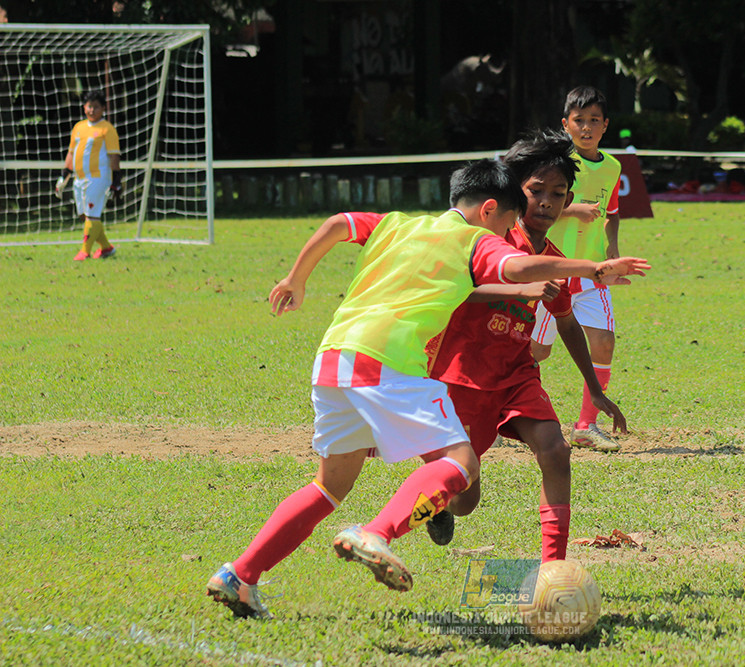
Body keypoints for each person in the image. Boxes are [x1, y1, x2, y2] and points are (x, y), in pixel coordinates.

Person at [205, 159, 650, 619]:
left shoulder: (397, 223)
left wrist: (296, 278)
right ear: (489, 210)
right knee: (461, 465)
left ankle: (239, 574)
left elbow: (339, 223)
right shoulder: (476, 240)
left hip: (334, 359)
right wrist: (595, 266)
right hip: (390, 365)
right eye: (504, 222)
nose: (505, 232)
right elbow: (518, 267)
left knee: (328, 487)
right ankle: (376, 532)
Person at [423, 129, 632, 562]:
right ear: (514, 193)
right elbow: (459, 291)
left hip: (517, 374)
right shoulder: (490, 242)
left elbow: (567, 321)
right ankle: (436, 492)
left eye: (558, 194)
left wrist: (594, 388)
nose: (547, 203)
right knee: (465, 499)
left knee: (555, 450)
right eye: (537, 191)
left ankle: (553, 568)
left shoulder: (552, 254)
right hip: (463, 376)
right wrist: (523, 289)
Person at [531, 85, 623, 452]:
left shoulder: (613, 167)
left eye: (594, 121)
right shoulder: (556, 163)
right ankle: (509, 410)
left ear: (605, 126)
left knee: (603, 342)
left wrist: (612, 249)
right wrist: (571, 210)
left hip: (591, 273)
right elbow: (532, 206)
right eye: (579, 121)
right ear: (565, 124)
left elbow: (612, 212)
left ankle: (586, 425)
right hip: (549, 270)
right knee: (536, 353)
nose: (587, 128)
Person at [56, 90, 123, 261]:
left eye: (96, 107)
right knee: (84, 216)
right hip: (79, 179)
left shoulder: (107, 129)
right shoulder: (79, 127)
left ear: (103, 108)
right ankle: (107, 248)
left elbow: (114, 155)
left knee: (92, 216)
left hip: (98, 178)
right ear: (84, 107)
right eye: (89, 106)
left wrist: (116, 180)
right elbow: (71, 153)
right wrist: (64, 176)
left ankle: (84, 252)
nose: (92, 110)